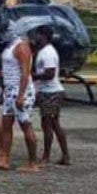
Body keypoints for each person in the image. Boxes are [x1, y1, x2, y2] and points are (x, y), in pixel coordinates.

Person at [0, 29, 39, 173]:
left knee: (25, 125)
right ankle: (4, 159)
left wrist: (21, 95)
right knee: (6, 124)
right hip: (9, 89)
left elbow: (25, 72)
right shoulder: (8, 46)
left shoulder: (21, 46)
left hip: (20, 89)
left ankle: (32, 163)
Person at [31, 25, 69, 165]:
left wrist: (32, 76)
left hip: (51, 92)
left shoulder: (48, 53)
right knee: (51, 124)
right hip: (46, 92)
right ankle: (64, 155)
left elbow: (50, 73)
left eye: (37, 35)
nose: (35, 38)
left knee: (49, 124)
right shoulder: (43, 51)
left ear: (43, 36)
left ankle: (47, 156)